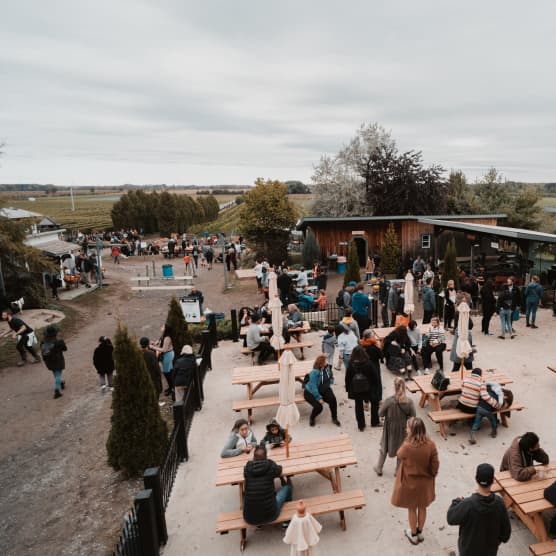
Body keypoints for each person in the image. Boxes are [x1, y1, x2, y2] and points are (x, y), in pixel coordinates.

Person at [391, 417, 439, 545]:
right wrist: (431, 475)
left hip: (410, 482)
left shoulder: (407, 446)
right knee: (423, 507)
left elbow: (399, 455)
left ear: (412, 431)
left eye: (408, 428)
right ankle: (420, 532)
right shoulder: (431, 444)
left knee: (412, 508)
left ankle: (413, 534)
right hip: (425, 484)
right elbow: (435, 465)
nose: (406, 429)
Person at [447, 463, 511, 556]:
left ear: (476, 479)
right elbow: (506, 534)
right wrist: (496, 542)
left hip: (468, 551)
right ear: (493, 480)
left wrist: (455, 503)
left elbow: (451, 518)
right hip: (489, 552)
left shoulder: (467, 504)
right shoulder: (499, 503)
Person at [374, 378, 416, 476]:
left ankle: (379, 468)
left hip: (389, 428)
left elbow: (380, 414)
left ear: (394, 387)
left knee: (384, 446)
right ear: (404, 387)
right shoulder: (409, 402)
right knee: (401, 449)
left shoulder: (389, 401)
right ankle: (398, 471)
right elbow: (413, 416)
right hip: (403, 428)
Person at [242, 445, 292, 526]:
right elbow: (279, 470)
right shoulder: (270, 465)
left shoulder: (247, 468)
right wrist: (271, 462)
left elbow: (245, 476)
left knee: (245, 493)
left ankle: (258, 523)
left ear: (253, 457)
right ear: (266, 457)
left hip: (249, 518)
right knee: (287, 488)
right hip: (271, 516)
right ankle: (287, 521)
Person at [345, 346, 381, 431]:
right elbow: (375, 377)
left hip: (356, 389)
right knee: (375, 403)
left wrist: (348, 389)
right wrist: (376, 387)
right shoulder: (369, 363)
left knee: (358, 406)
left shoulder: (351, 364)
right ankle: (374, 422)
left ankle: (361, 425)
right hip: (369, 388)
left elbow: (347, 378)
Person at [304, 354, 340, 427]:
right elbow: (313, 387)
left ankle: (334, 418)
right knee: (319, 407)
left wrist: (330, 382)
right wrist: (318, 398)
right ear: (321, 363)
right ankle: (312, 418)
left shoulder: (327, 368)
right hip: (310, 392)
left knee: (333, 400)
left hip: (323, 388)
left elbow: (331, 376)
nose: (327, 362)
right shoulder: (315, 372)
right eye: (325, 361)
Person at [40, 325, 67, 399]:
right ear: (55, 333)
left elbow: (42, 350)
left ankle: (61, 382)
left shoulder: (43, 341)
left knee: (55, 373)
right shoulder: (59, 341)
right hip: (58, 360)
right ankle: (57, 391)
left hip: (48, 361)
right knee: (58, 374)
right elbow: (65, 349)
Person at [150, 323, 175, 397]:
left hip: (168, 355)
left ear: (166, 329)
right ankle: (171, 387)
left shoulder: (167, 338)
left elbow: (164, 349)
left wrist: (153, 347)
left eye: (163, 326)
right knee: (169, 371)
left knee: (167, 372)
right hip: (167, 354)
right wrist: (154, 343)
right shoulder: (163, 335)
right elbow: (159, 343)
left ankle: (171, 388)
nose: (161, 327)